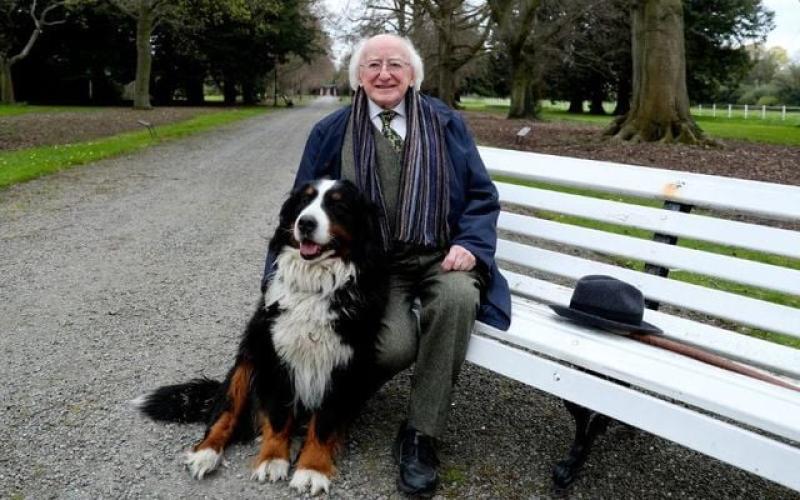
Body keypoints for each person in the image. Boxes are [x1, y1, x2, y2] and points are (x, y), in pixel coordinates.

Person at [261, 33, 511, 496]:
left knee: (456, 300)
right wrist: (271, 285)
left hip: (442, 256)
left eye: (395, 64)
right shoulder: (332, 131)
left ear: (412, 74)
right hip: (374, 268)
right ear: (358, 77)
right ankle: (319, 404)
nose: (383, 73)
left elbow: (481, 196)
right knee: (387, 348)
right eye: (372, 65)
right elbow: (298, 210)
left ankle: (420, 434)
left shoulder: (445, 124)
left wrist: (472, 244)